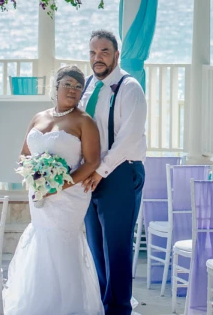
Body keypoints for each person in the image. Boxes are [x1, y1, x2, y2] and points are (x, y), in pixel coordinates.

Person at [3, 65, 104, 315]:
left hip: (69, 195)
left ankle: (67, 307)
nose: (73, 90)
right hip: (39, 192)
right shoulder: (39, 117)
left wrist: (57, 184)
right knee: (40, 238)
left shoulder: (84, 121)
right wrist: (31, 173)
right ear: (56, 86)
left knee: (61, 242)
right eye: (68, 84)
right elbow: (24, 153)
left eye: (78, 87)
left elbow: (92, 162)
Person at [80, 30, 147, 315]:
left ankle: (119, 309)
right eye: (93, 53)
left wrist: (101, 171)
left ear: (116, 55)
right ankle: (104, 307)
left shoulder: (130, 88)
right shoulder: (87, 86)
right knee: (97, 247)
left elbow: (128, 138)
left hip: (120, 172)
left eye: (104, 52)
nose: (98, 58)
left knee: (117, 247)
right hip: (92, 175)